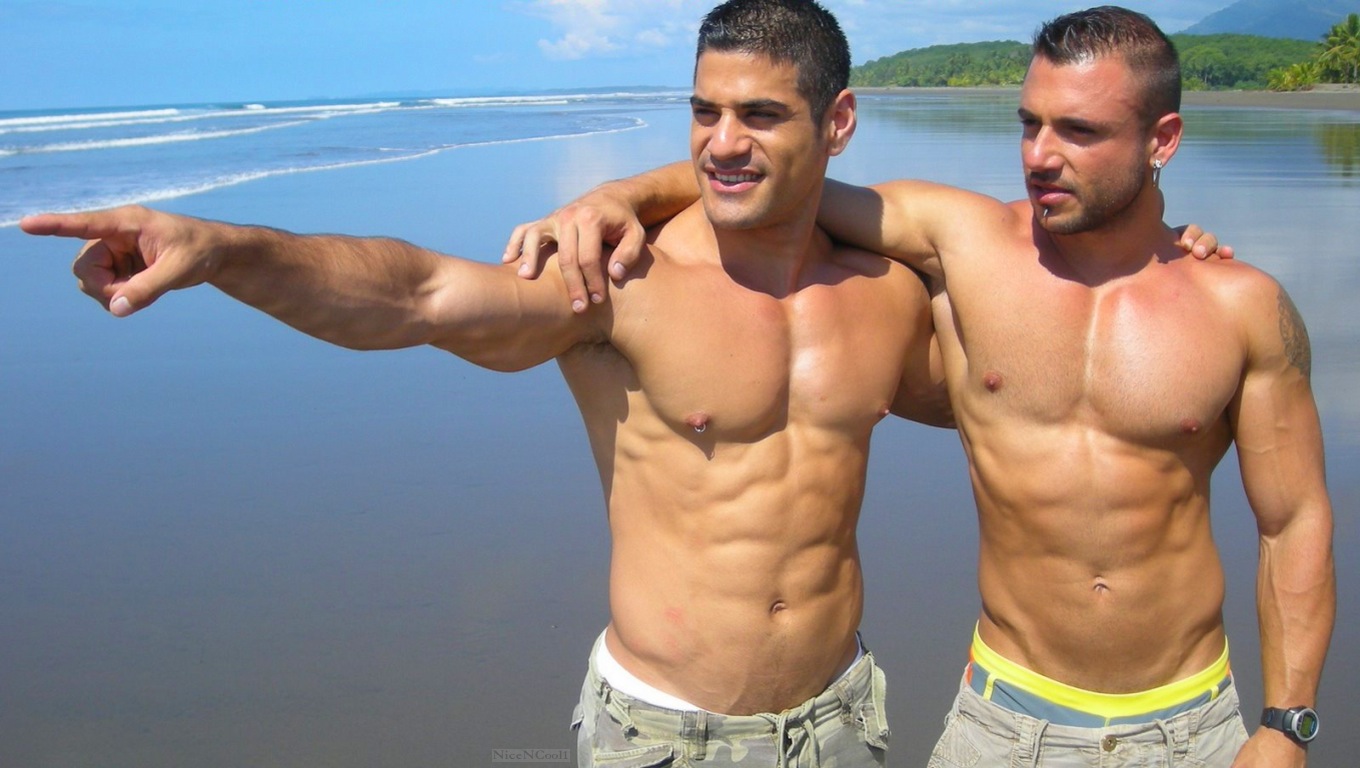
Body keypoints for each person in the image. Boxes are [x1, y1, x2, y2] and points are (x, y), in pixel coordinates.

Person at [21, 1, 955, 765]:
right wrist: (226, 250)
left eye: (760, 115)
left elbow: (1004, 410)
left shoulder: (884, 296)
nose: (721, 143)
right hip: (671, 734)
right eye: (704, 112)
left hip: (840, 720)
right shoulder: (618, 280)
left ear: (838, 122)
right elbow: (422, 296)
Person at [506, 6, 1335, 766]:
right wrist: (618, 194)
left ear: (1163, 140)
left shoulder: (1240, 306)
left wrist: (1285, 724)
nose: (1039, 156)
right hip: (1003, 719)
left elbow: (1294, 519)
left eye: (1079, 131)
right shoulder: (962, 241)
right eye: (1029, 124)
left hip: (1193, 723)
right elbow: (765, 174)